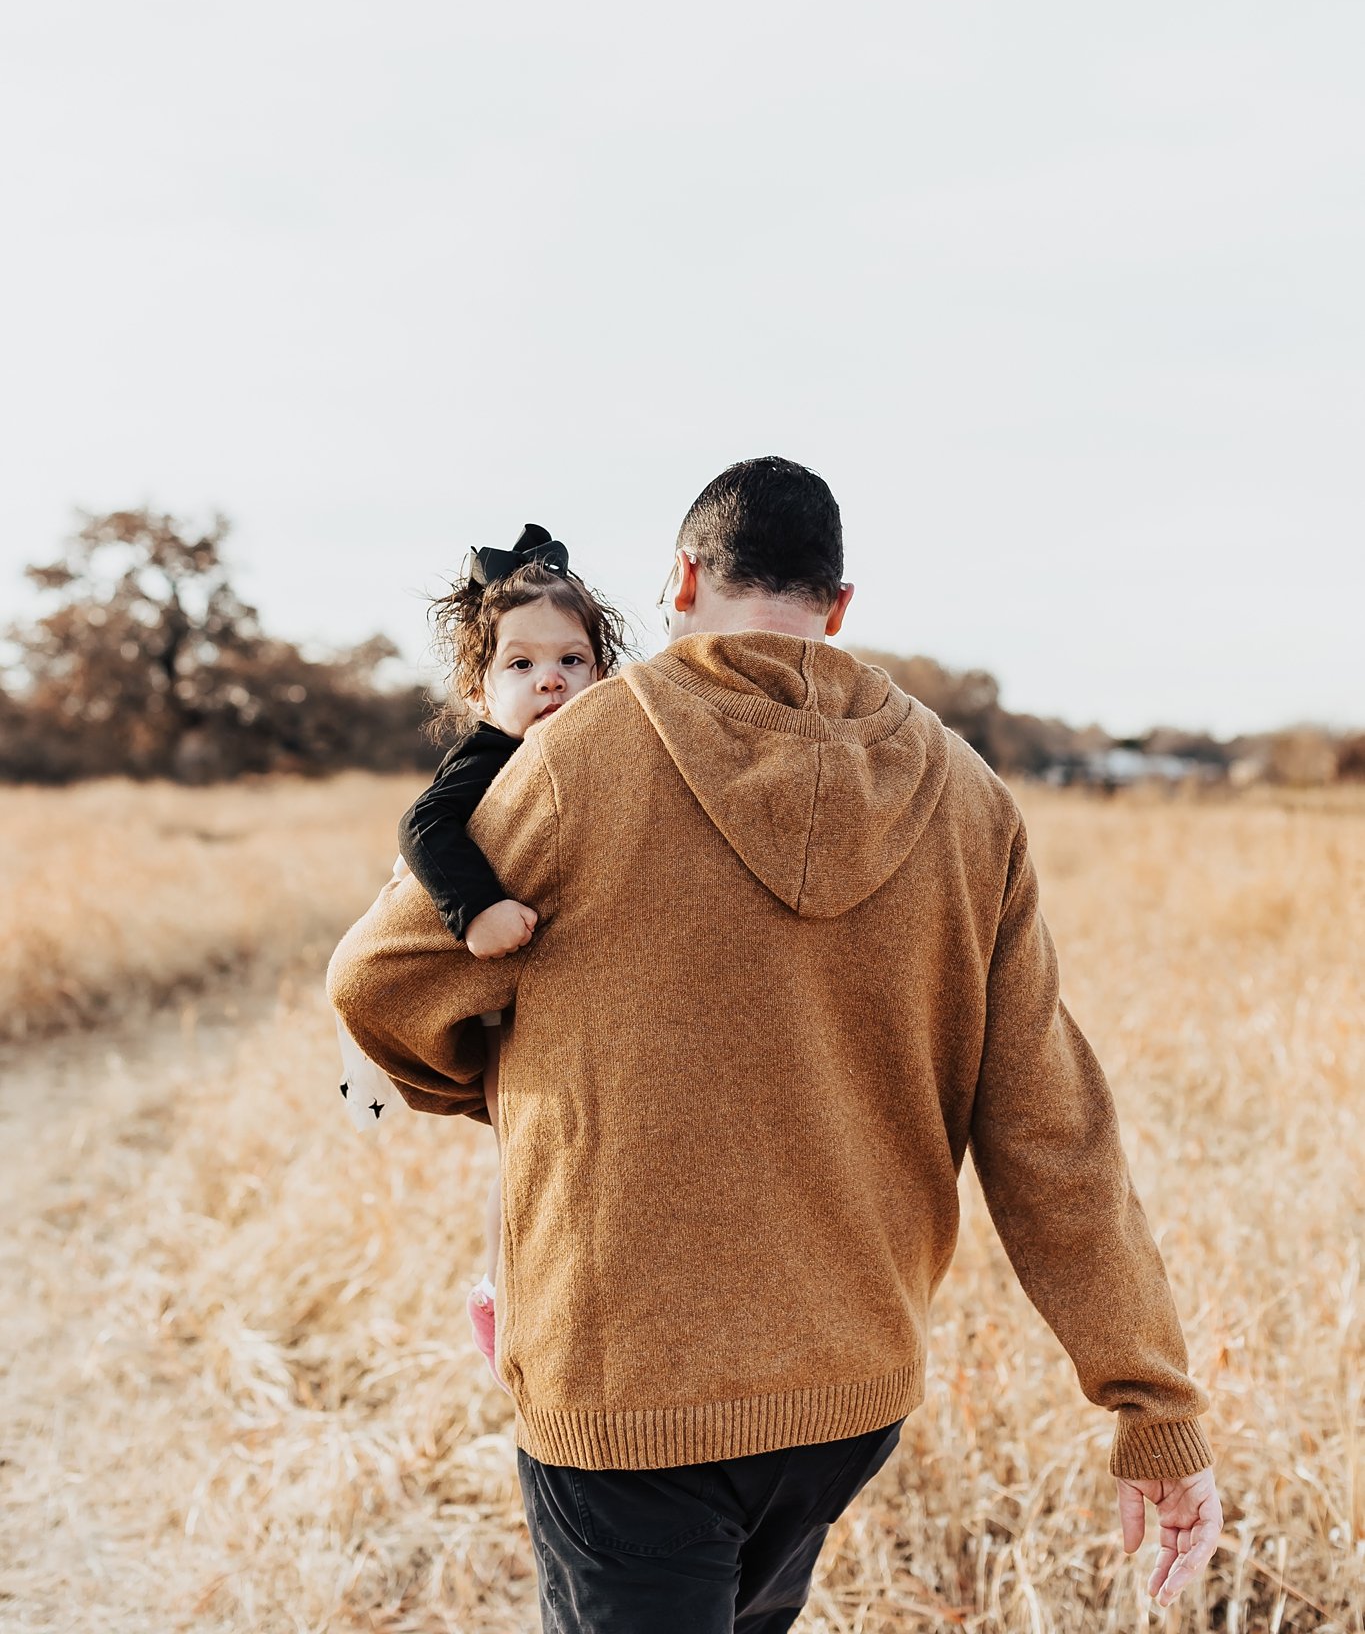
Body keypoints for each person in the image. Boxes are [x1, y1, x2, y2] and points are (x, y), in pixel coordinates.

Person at [329, 456, 1223, 1631]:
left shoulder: (577, 754)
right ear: (837, 607)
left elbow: (379, 982)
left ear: (682, 579)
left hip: (627, 1385)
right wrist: (1151, 1402)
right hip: (845, 1395)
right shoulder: (970, 797)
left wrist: (519, 1077)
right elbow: (1053, 1129)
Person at [334, 523, 628, 1387]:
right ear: (478, 689)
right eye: (521, 666)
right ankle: (499, 1297)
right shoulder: (490, 756)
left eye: (574, 662)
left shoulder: (589, 752)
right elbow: (423, 827)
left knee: (536, 1149)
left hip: (554, 997)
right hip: (487, 976)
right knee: (520, 1156)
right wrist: (476, 911)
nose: (550, 681)